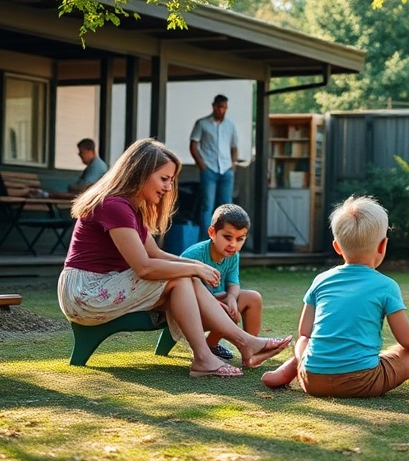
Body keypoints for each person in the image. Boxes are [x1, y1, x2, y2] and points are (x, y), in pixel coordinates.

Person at [57, 138, 290, 378]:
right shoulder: (114, 206)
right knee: (179, 279)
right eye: (164, 178)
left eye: (171, 180)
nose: (169, 187)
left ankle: (239, 345)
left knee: (183, 278)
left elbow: (155, 253)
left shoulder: (132, 209)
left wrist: (194, 265)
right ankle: (209, 355)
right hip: (85, 292)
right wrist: (195, 270)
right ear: (141, 172)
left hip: (106, 285)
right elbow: (145, 268)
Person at [261, 196, 409, 398]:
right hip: (361, 381)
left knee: (309, 343)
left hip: (312, 380)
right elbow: (408, 339)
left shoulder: (321, 280)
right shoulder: (386, 286)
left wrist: (303, 360)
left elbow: (304, 334)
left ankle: (284, 373)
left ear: (336, 247)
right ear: (383, 246)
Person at [180, 203, 262, 360]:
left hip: (219, 299)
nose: (233, 244)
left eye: (240, 239)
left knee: (253, 298)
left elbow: (233, 282)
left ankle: (250, 351)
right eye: (227, 237)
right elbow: (180, 290)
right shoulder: (194, 255)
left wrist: (231, 297)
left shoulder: (233, 255)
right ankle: (208, 347)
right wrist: (219, 303)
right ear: (212, 232)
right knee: (226, 311)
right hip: (191, 310)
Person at [190, 94, 239, 242]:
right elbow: (193, 145)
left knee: (227, 206)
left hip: (226, 170)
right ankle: (205, 242)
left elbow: (234, 146)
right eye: (219, 107)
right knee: (207, 206)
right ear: (213, 106)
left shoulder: (230, 125)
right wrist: (202, 165)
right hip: (209, 169)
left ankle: (225, 239)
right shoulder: (202, 123)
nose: (221, 110)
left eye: (224, 107)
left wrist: (233, 162)